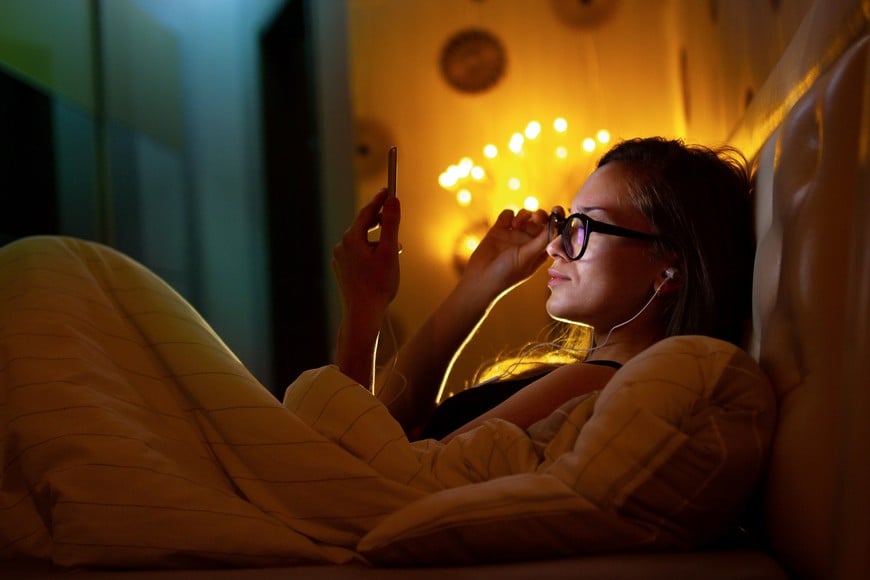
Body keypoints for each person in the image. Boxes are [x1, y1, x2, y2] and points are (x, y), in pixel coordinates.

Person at [332, 136, 754, 442]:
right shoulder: (585, 374)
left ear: (670, 270)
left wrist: (364, 305)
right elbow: (398, 425)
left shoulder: (597, 384)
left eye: (585, 226)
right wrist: (480, 284)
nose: (555, 246)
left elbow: (371, 466)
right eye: (566, 223)